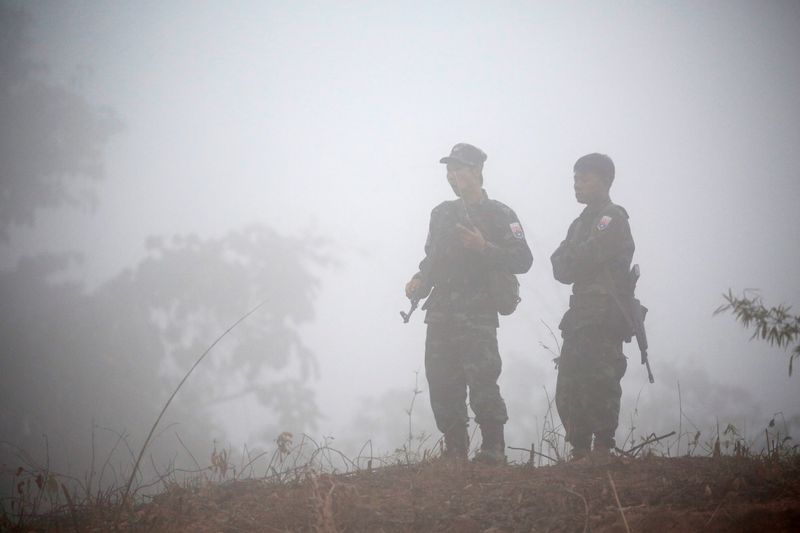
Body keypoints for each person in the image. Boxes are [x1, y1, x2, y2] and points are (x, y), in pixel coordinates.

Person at [405, 143, 533, 464]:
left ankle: (492, 450)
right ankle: (456, 452)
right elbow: (431, 259)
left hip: (478, 312)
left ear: (476, 171)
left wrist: (483, 246)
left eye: (459, 168)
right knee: (442, 382)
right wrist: (420, 280)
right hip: (441, 312)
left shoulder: (501, 214)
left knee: (482, 379)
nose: (452, 175)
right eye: (449, 169)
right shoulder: (442, 213)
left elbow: (523, 259)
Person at [550, 153, 635, 460]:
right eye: (575, 178)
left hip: (605, 311)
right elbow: (559, 266)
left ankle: (602, 447)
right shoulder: (579, 224)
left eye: (584, 178)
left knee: (601, 379)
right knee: (570, 383)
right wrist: (577, 259)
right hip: (580, 314)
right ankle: (580, 450)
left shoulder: (612, 217)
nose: (577, 185)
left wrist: (577, 259)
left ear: (605, 180)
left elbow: (583, 257)